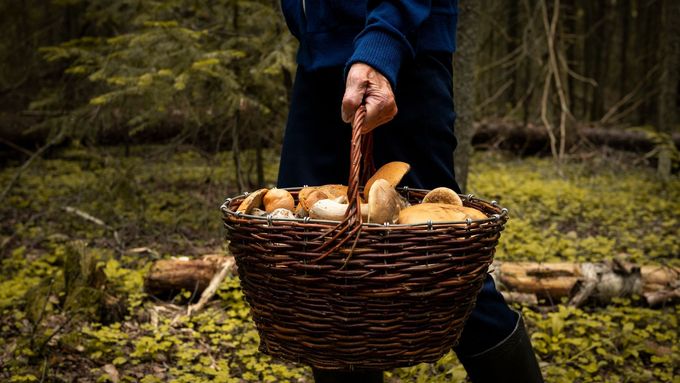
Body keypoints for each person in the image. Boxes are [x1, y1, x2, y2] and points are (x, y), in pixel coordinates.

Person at [276, 1, 544, 382]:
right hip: (319, 60)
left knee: (445, 262)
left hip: (402, 56)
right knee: (324, 269)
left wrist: (384, 40)